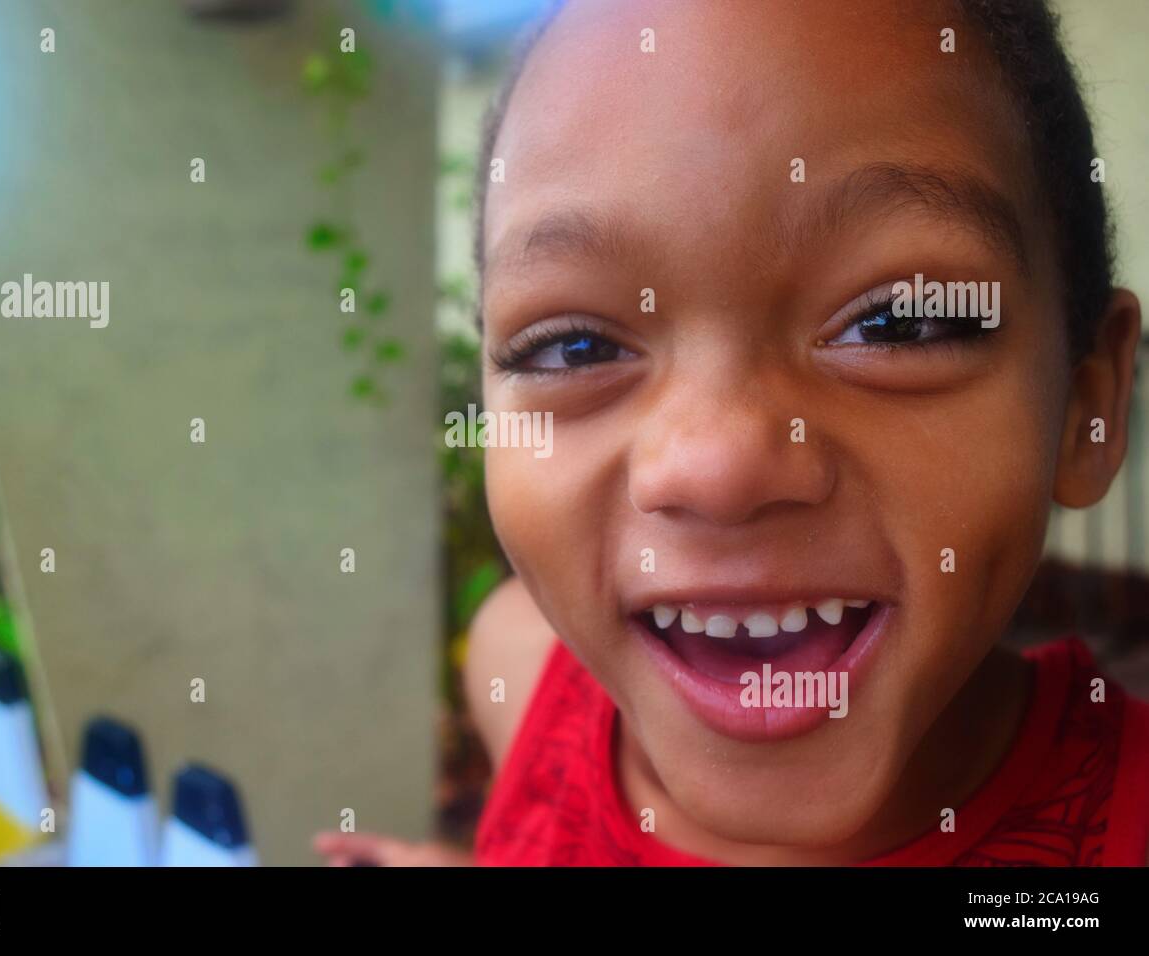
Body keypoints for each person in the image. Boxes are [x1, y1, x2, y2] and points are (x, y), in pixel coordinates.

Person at [315, 0, 1148, 866]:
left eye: (897, 323)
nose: (718, 465)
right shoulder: (521, 677)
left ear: (1090, 405)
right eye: (577, 345)